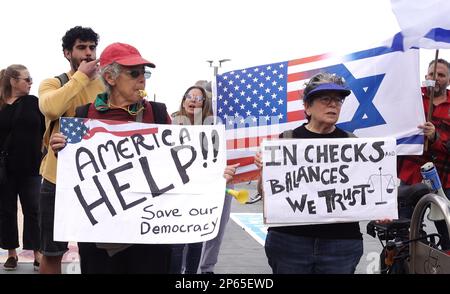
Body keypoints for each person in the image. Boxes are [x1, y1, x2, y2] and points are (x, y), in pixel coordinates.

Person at [254, 72, 364, 274]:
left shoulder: (354, 144)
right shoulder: (285, 141)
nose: (333, 105)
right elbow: (265, 193)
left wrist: (382, 209)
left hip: (341, 244)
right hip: (289, 242)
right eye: (325, 99)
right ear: (307, 106)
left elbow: (366, 192)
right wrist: (263, 171)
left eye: (338, 100)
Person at [38, 26, 103, 274]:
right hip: (57, 181)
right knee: (53, 252)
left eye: (92, 47)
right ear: (67, 53)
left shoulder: (106, 86)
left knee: (95, 253)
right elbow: (51, 109)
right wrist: (81, 77)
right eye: (81, 47)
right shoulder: (52, 83)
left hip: (94, 181)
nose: (88, 53)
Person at [397, 58, 450, 250]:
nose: (435, 78)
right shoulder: (410, 100)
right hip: (410, 178)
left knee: (448, 235)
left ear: (449, 79)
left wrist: (436, 137)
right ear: (425, 77)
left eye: (441, 75)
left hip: (444, 181)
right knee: (405, 236)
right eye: (431, 74)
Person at [0, 64, 44, 271]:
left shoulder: (34, 102)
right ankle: (11, 254)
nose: (30, 82)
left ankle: (37, 253)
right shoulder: (0, 105)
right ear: (13, 81)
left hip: (31, 166)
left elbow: (47, 128)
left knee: (33, 210)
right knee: (6, 211)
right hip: (5, 169)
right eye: (27, 79)